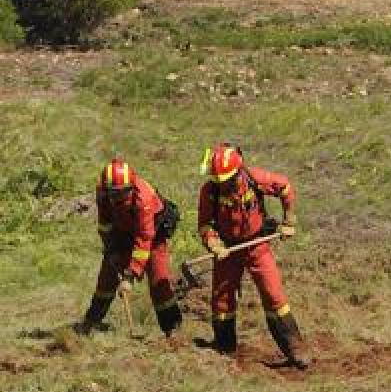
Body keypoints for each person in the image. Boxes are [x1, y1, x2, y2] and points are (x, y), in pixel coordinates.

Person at [198, 143, 304, 366]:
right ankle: (225, 352)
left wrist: (289, 220)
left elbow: (284, 187)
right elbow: (205, 225)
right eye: (219, 181)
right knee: (222, 302)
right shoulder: (209, 191)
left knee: (274, 295)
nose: (223, 185)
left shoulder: (254, 179)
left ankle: (294, 350)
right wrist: (214, 244)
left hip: (257, 245)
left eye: (227, 181)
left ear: (238, 172)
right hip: (228, 250)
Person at [78, 159, 181, 337]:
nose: (117, 198)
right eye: (113, 193)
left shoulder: (144, 198)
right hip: (122, 231)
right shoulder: (102, 192)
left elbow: (144, 238)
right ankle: (92, 322)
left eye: (122, 193)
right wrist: (111, 249)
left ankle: (173, 329)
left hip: (152, 234)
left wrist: (130, 275)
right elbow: (105, 223)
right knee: (107, 278)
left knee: (159, 281)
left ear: (131, 187)